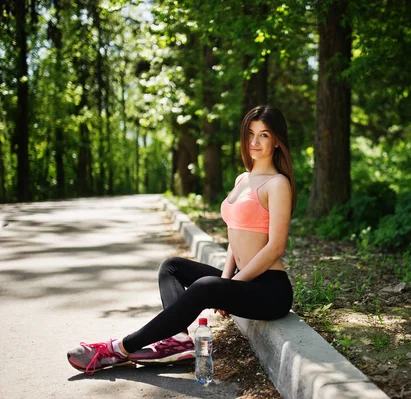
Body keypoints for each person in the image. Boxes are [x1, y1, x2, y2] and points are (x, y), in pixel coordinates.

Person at [67, 105, 296, 375]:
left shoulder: (277, 183)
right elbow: (235, 234)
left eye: (264, 135)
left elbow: (275, 246)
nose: (254, 142)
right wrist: (226, 280)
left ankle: (118, 349)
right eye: (250, 133)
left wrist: (231, 284)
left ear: (278, 140)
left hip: (270, 291)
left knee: (203, 287)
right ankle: (178, 340)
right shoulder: (243, 179)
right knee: (172, 266)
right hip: (242, 280)